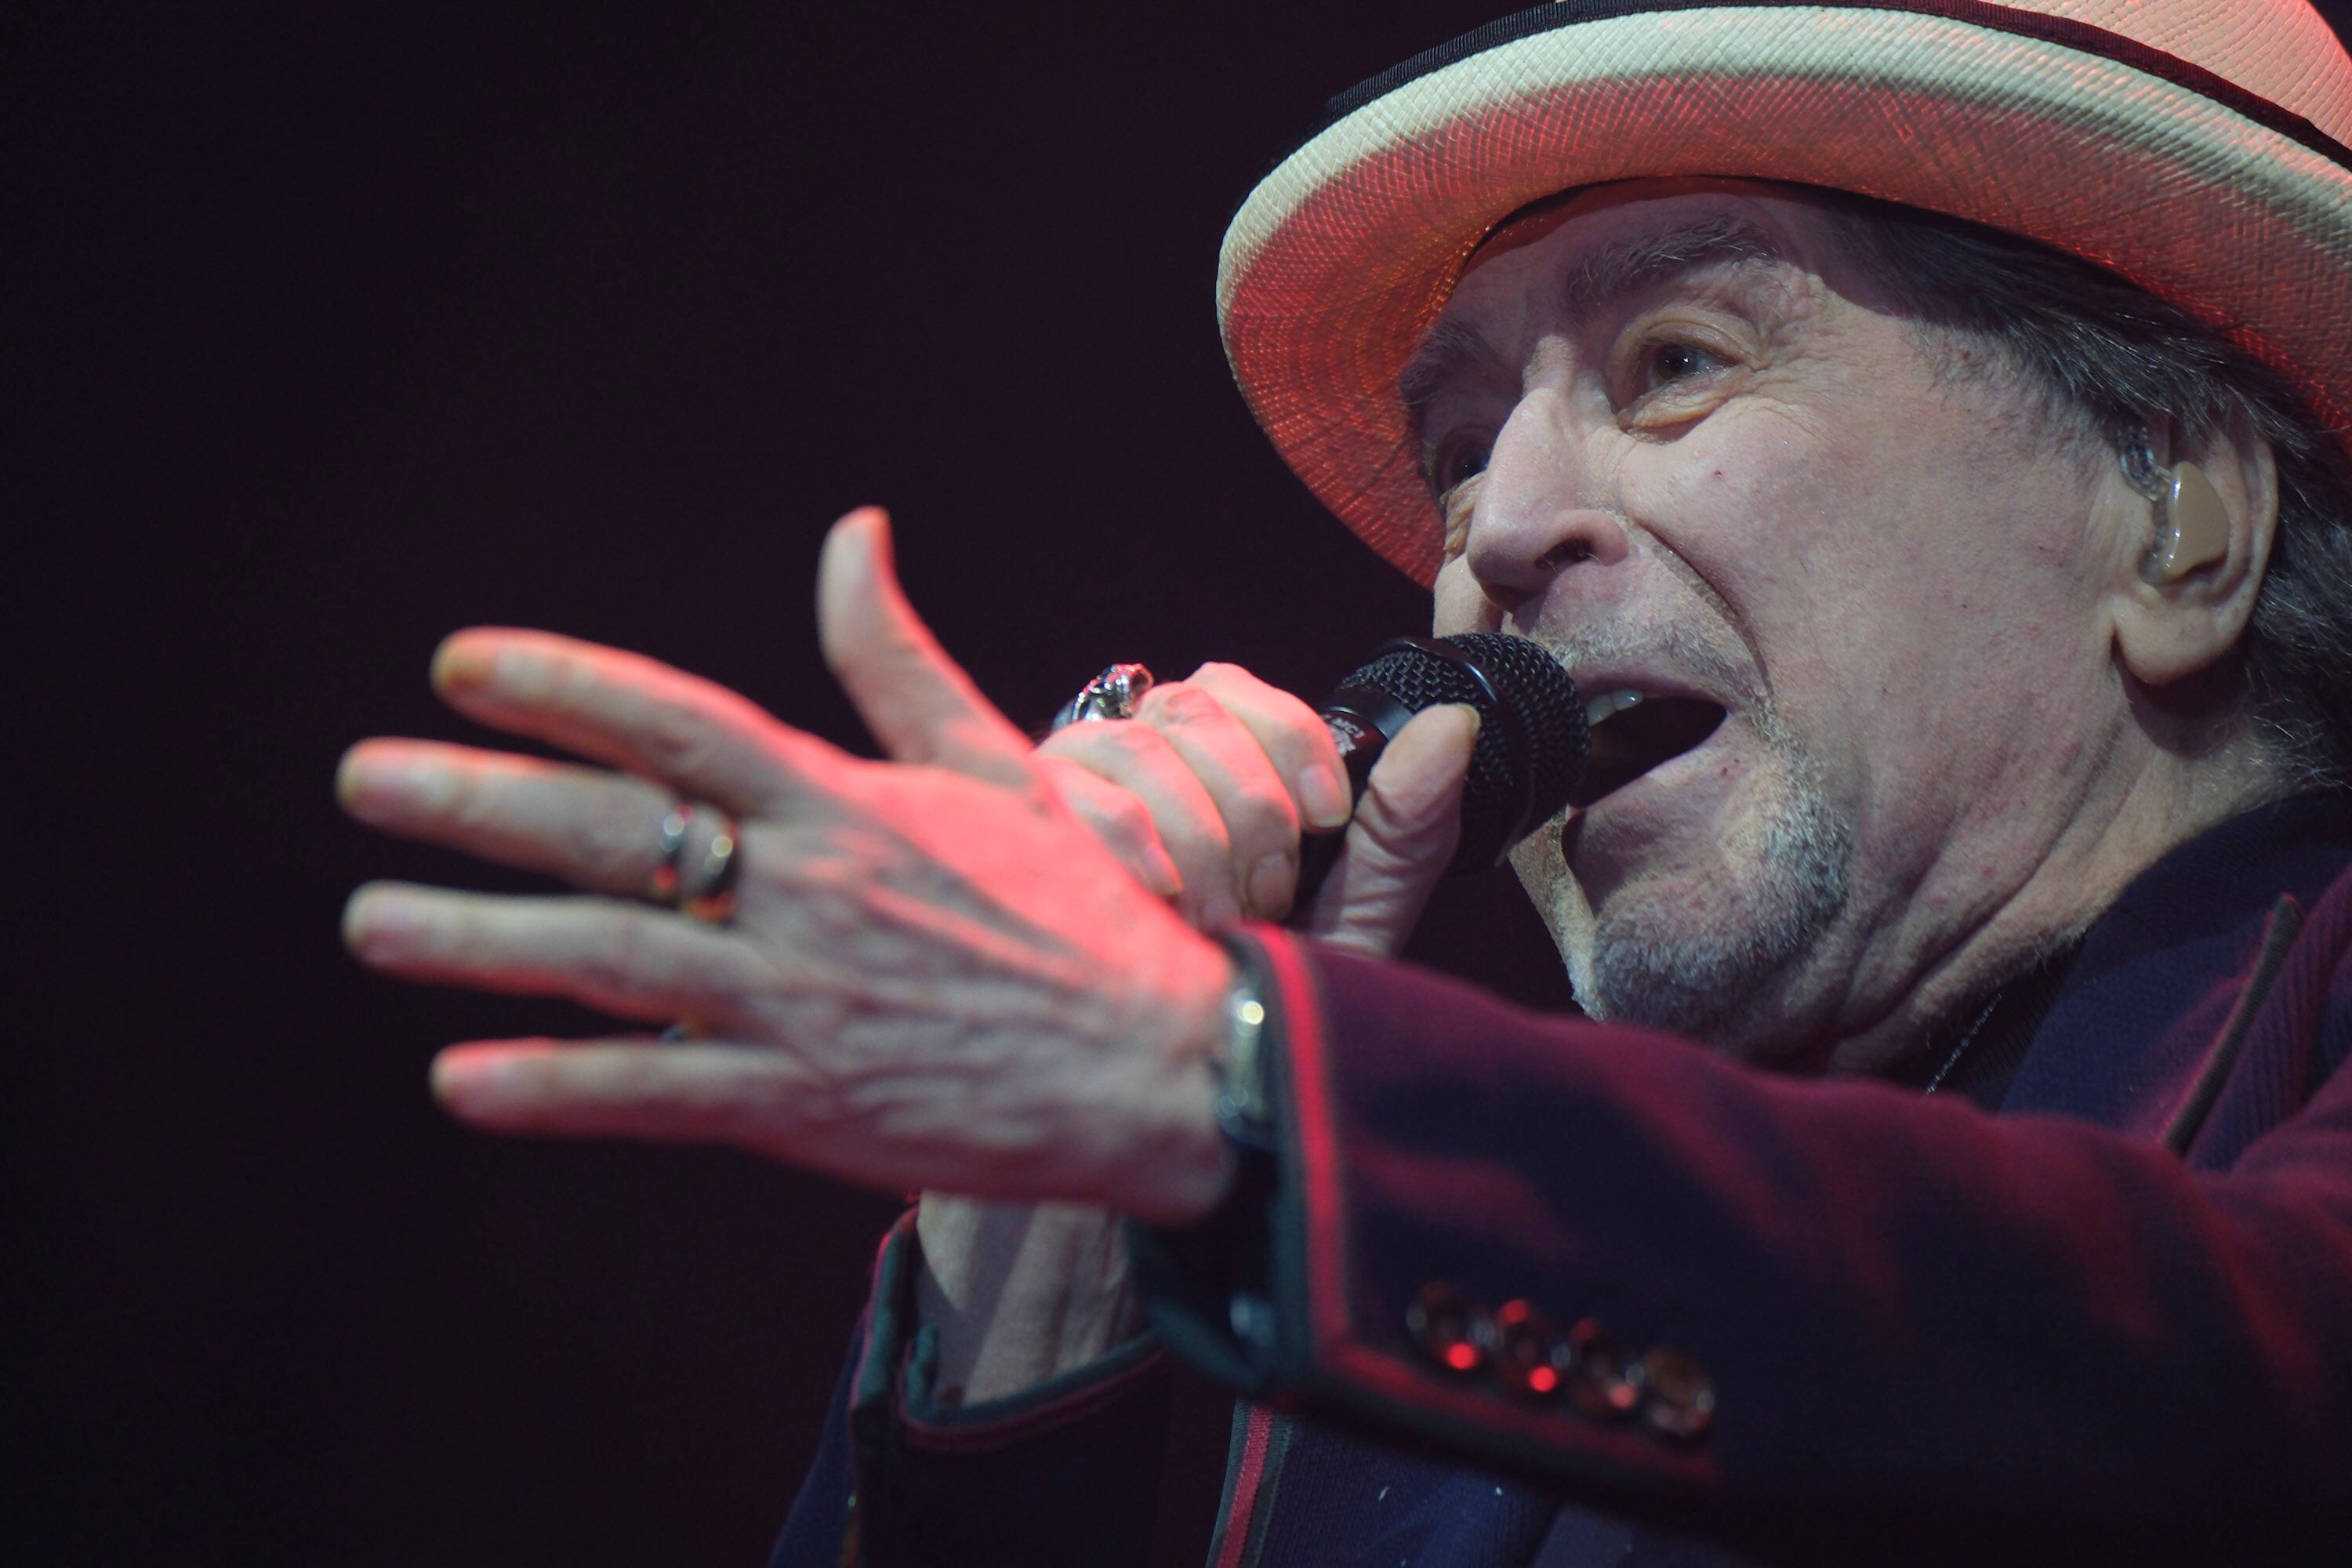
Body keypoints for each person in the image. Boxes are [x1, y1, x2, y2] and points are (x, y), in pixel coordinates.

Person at [339, 2, 2352, 1562]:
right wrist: (1043, 1266)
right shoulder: (1376, 1335)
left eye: (1675, 360)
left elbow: (2234, 1386)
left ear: (2176, 514)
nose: (1498, 534)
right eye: (1463, 447)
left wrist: (1208, 1077)